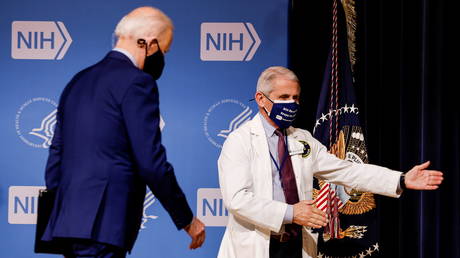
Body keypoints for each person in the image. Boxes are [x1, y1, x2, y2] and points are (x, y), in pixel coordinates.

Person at [217, 66, 443, 258]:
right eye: (284, 98)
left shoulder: (302, 139)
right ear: (260, 99)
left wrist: (400, 179)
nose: (292, 104)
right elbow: (237, 199)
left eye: (295, 98)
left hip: (296, 245)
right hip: (257, 245)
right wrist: (290, 213)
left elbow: (347, 171)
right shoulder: (240, 141)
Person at [40, 6, 205, 257]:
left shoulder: (78, 80)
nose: (162, 58)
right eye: (164, 50)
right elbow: (151, 163)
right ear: (149, 44)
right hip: (104, 225)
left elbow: (55, 159)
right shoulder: (138, 82)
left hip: (68, 225)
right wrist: (186, 219)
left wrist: (68, 208)